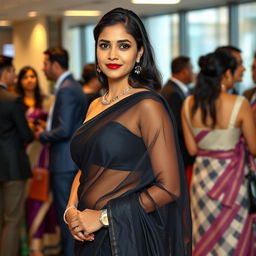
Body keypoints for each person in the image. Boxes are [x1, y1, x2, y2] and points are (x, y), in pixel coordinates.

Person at [64, 7, 192, 256]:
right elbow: (87, 167)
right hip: (87, 233)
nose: (112, 54)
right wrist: (70, 210)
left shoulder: (147, 105)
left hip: (127, 238)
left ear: (139, 52)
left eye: (123, 46)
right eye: (104, 45)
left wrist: (102, 218)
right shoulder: (94, 105)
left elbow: (170, 187)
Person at [181, 50, 256, 255]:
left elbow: (192, 149)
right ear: (227, 74)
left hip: (202, 179)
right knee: (234, 233)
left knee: (204, 233)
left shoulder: (188, 104)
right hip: (232, 180)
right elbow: (254, 147)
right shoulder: (239, 104)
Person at [35, 47, 88, 256]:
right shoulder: (71, 85)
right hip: (70, 161)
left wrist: (42, 135)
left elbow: (64, 129)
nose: (43, 68)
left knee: (68, 217)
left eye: (45, 64)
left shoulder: (66, 88)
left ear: (55, 65)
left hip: (65, 162)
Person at [16, 66, 60, 256]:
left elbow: (54, 126)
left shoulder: (47, 101)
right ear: (20, 81)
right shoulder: (16, 103)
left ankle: (47, 244)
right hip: (26, 154)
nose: (30, 80)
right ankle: (32, 246)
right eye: (25, 77)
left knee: (44, 196)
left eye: (32, 76)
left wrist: (42, 126)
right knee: (30, 198)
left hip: (44, 153)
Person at [0, 56, 34, 256]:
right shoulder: (12, 100)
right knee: (12, 219)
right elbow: (26, 135)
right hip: (12, 167)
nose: (14, 74)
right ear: (6, 73)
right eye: (13, 71)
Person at [161, 56, 194, 178]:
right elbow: (177, 125)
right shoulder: (173, 92)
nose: (193, 72)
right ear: (185, 70)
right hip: (179, 151)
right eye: (191, 68)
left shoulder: (172, 88)